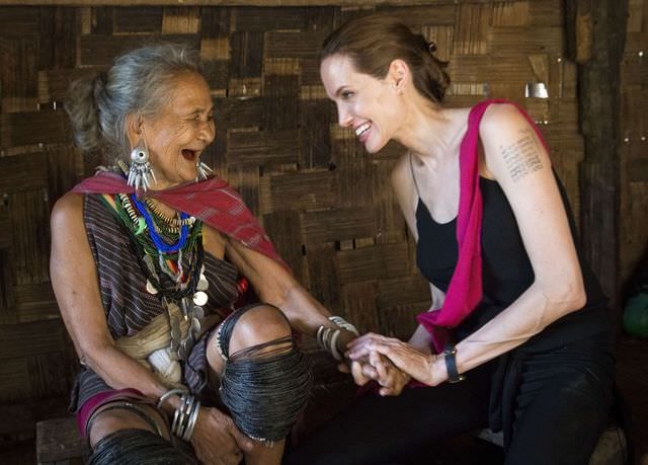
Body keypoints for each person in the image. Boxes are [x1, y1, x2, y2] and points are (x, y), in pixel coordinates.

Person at [283, 14, 616, 465]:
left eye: (348, 95)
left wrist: (439, 366)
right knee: (321, 457)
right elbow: (446, 302)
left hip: (561, 354)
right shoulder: (405, 178)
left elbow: (563, 288)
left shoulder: (497, 129)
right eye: (335, 102)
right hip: (477, 363)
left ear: (397, 75)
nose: (342, 119)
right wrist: (401, 359)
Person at [50, 42, 363, 465]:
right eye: (193, 118)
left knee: (264, 327)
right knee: (120, 443)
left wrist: (348, 343)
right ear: (138, 127)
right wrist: (189, 418)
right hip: (126, 382)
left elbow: (283, 294)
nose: (207, 133)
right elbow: (94, 350)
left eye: (209, 117)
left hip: (208, 363)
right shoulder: (77, 213)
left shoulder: (211, 200)